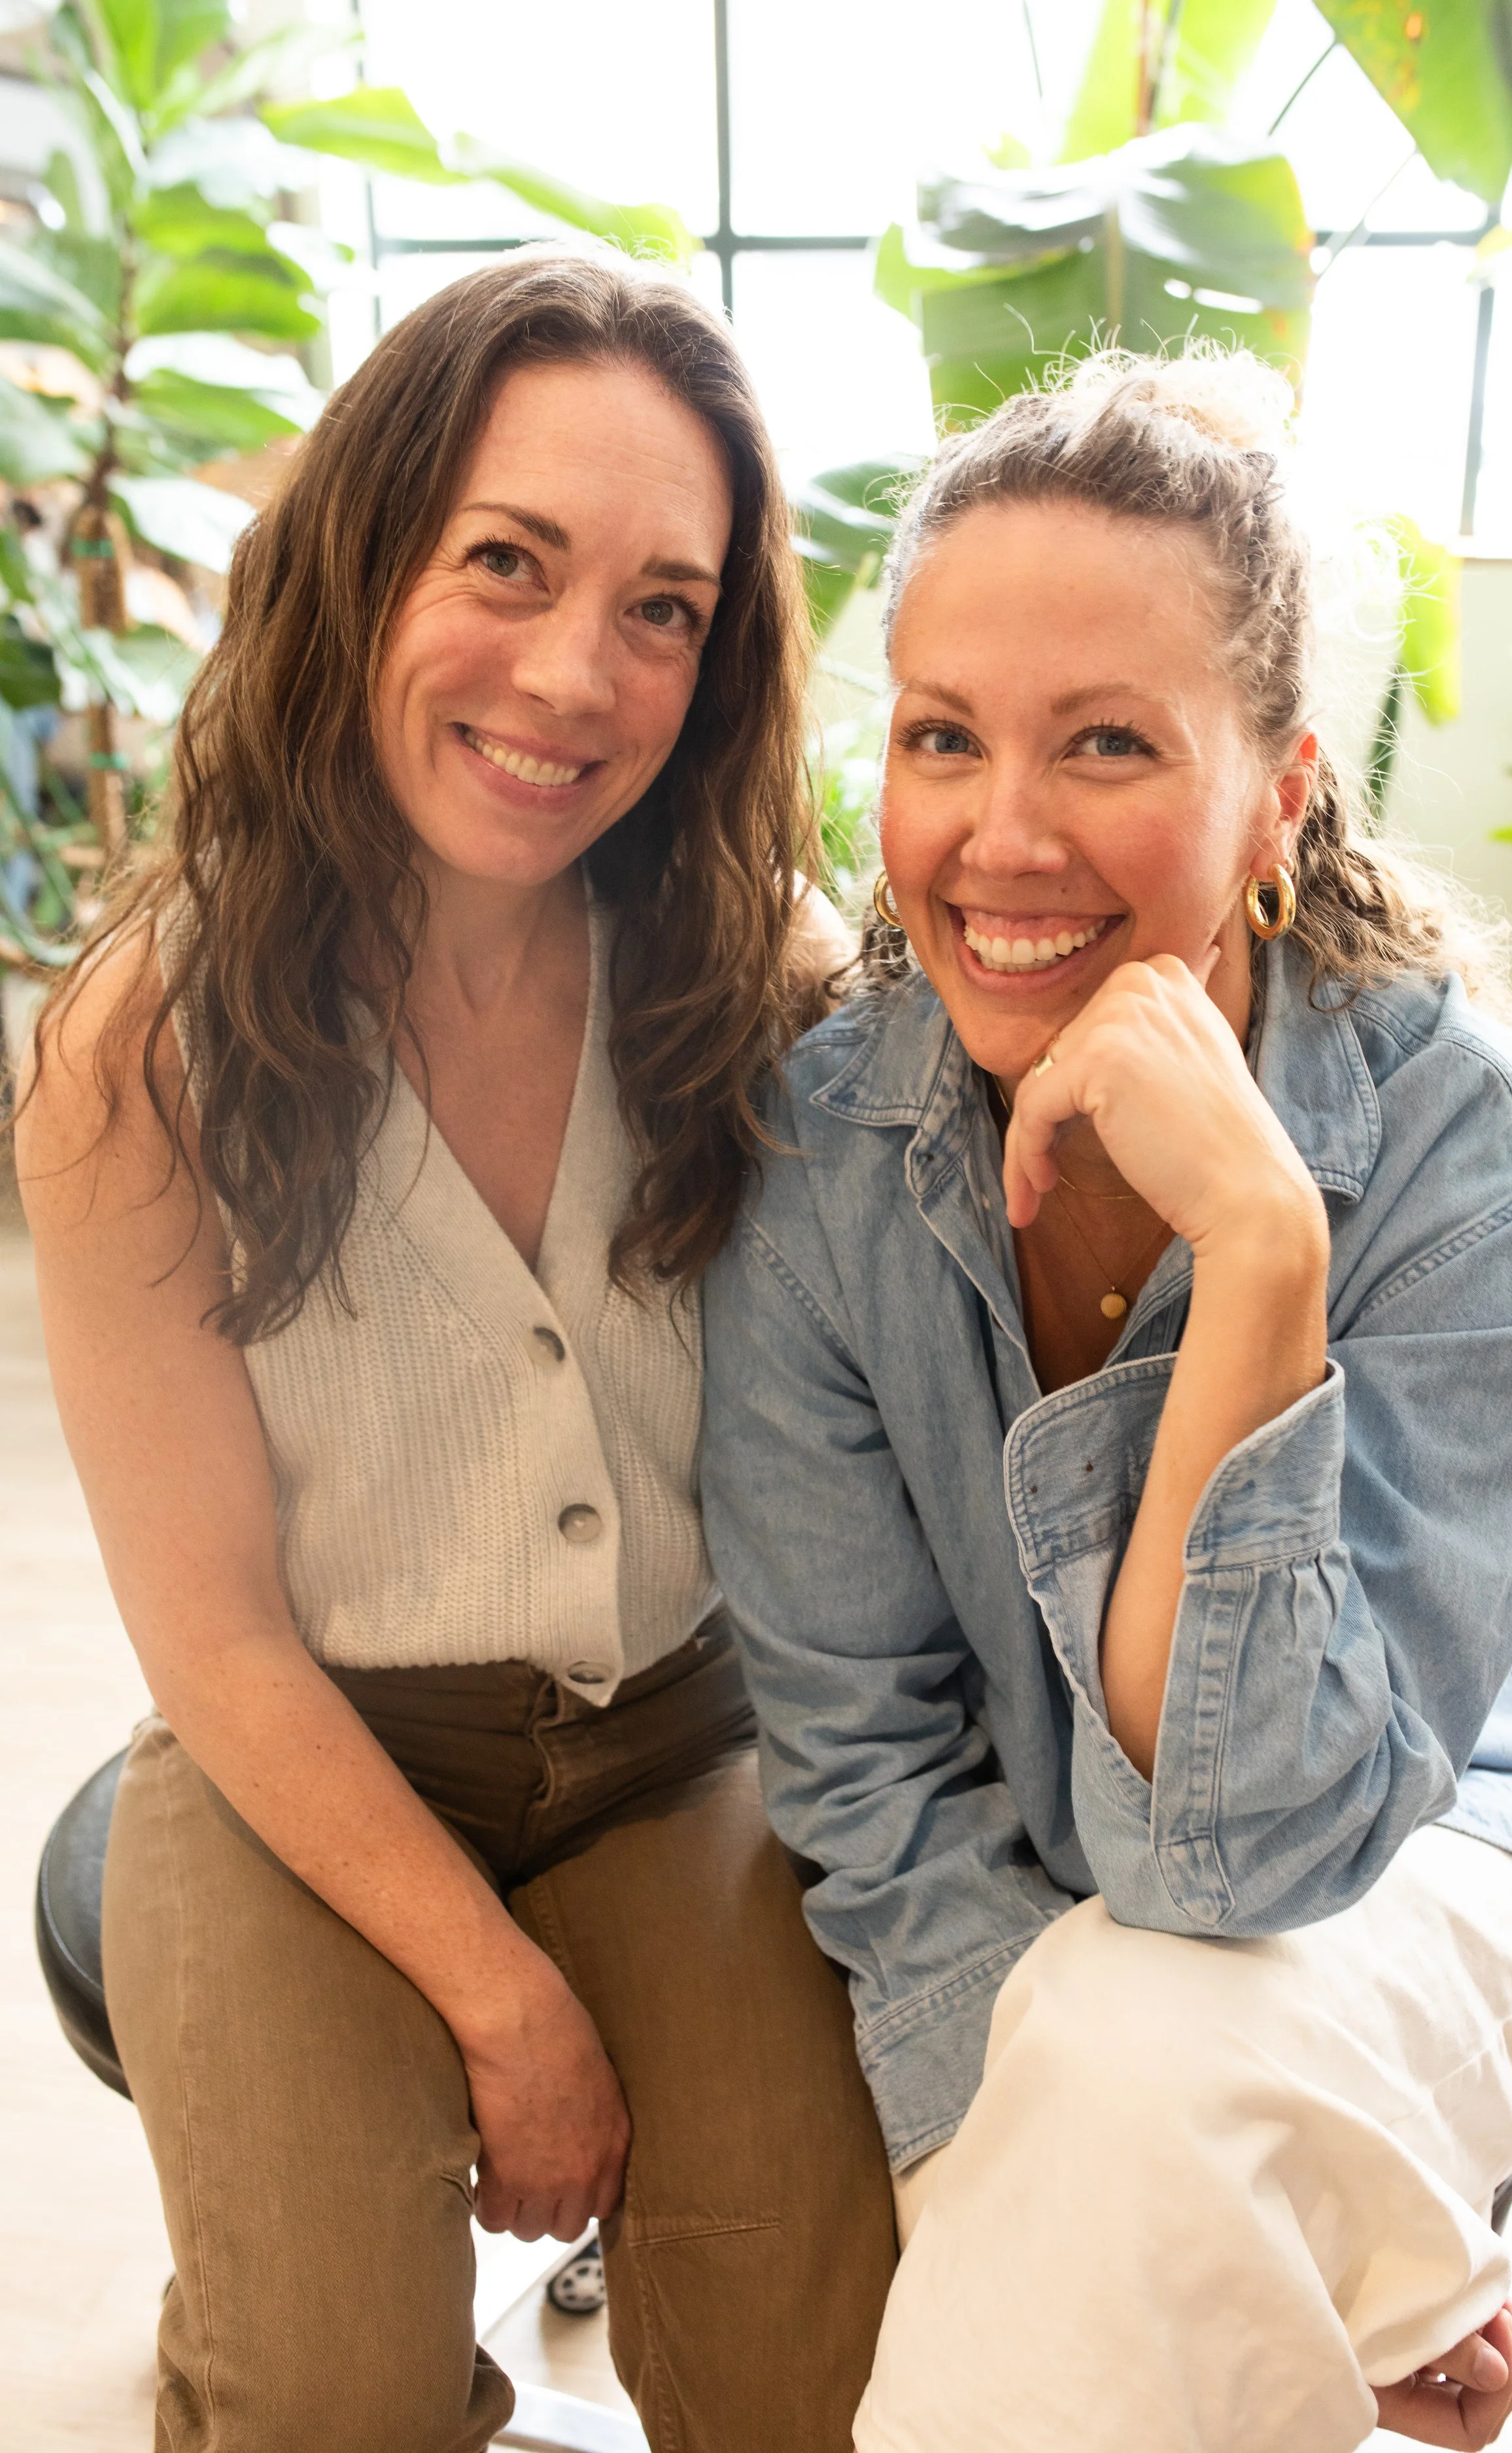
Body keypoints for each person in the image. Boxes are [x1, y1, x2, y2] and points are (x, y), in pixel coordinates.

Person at [16, 249, 895, 2453]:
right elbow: (211, 1640)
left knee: (824, 2385)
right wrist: (512, 2011)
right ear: (358, 558)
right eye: (503, 561)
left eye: (663, 608)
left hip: (682, 1748)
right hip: (303, 1757)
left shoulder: (756, 969)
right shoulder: (143, 1045)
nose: (572, 674)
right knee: (328, 2394)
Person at [700, 348, 1512, 2453]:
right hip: (1068, 1957)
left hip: (1422, 1873)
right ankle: (1370, 2243)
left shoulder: (1491, 1171)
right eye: (941, 737)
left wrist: (1262, 1268)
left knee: (1134, 2061)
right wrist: (1069, 2190)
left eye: (1106, 741)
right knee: (1123, 2105)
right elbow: (864, 1776)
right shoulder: (817, 1152)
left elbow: (1236, 1850)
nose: (998, 835)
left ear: (1281, 793)